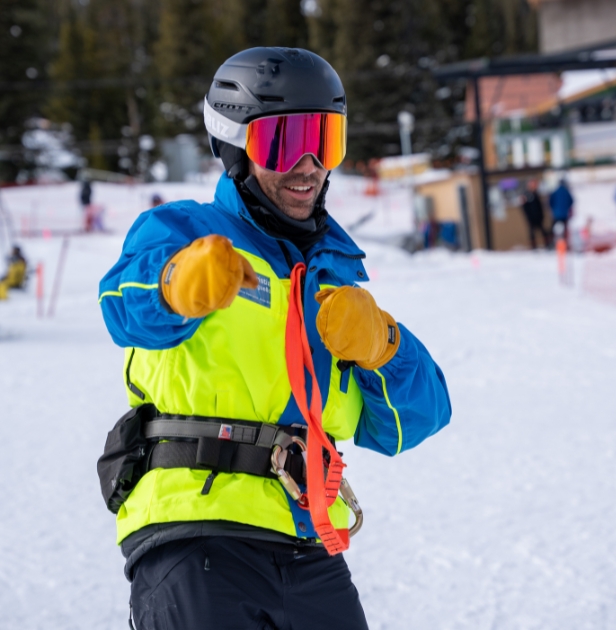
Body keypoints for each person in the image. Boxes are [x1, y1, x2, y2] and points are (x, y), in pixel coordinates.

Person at [98, 47, 451, 630]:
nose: (309, 165)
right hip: (195, 531)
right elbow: (123, 307)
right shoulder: (185, 232)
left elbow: (420, 418)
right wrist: (175, 284)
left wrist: (385, 346)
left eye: (325, 140)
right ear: (236, 148)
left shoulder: (333, 281)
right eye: (285, 143)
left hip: (308, 543)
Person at [520, 179, 550, 249]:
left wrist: (541, 215)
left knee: (543, 231)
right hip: (531, 218)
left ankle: (547, 244)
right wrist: (529, 216)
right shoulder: (526, 195)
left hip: (538, 217)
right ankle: (533, 246)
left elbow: (539, 206)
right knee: (532, 232)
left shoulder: (536, 194)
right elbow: (524, 207)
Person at [549, 178, 574, 243]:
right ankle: (565, 241)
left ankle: (553, 241)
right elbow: (571, 201)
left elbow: (550, 202)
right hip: (565, 214)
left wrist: (554, 209)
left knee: (554, 228)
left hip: (556, 214)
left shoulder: (555, 191)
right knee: (565, 228)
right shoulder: (566, 191)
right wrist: (567, 207)